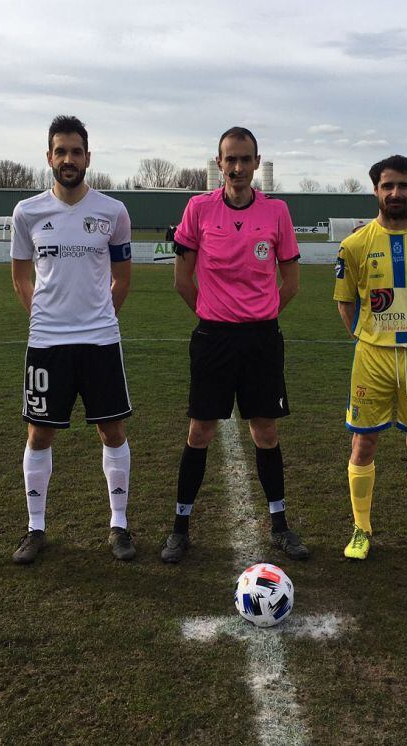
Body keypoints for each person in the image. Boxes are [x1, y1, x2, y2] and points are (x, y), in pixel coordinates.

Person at [160, 126, 306, 564]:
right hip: (213, 338)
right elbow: (182, 279)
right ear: (219, 163)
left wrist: (259, 314)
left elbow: (292, 282)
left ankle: (279, 524)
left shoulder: (277, 212)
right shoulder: (198, 209)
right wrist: (213, 314)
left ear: (257, 163)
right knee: (200, 431)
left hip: (261, 339)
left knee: (265, 431)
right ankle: (180, 528)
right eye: (231, 159)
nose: (238, 167)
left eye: (246, 159)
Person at [9, 115, 136, 565]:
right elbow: (21, 278)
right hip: (47, 344)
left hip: (100, 341)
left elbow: (122, 279)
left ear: (87, 157)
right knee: (39, 433)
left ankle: (119, 525)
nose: (68, 159)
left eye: (76, 151)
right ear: (49, 157)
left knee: (112, 429)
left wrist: (98, 318)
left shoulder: (112, 212)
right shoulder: (27, 212)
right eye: (60, 151)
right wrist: (45, 318)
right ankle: (35, 528)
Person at [333, 155, 407, 562]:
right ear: (376, 191)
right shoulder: (354, 245)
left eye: (403, 185)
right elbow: (345, 302)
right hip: (372, 358)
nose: (395, 193)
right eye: (388, 186)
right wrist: (367, 338)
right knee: (364, 442)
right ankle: (361, 530)